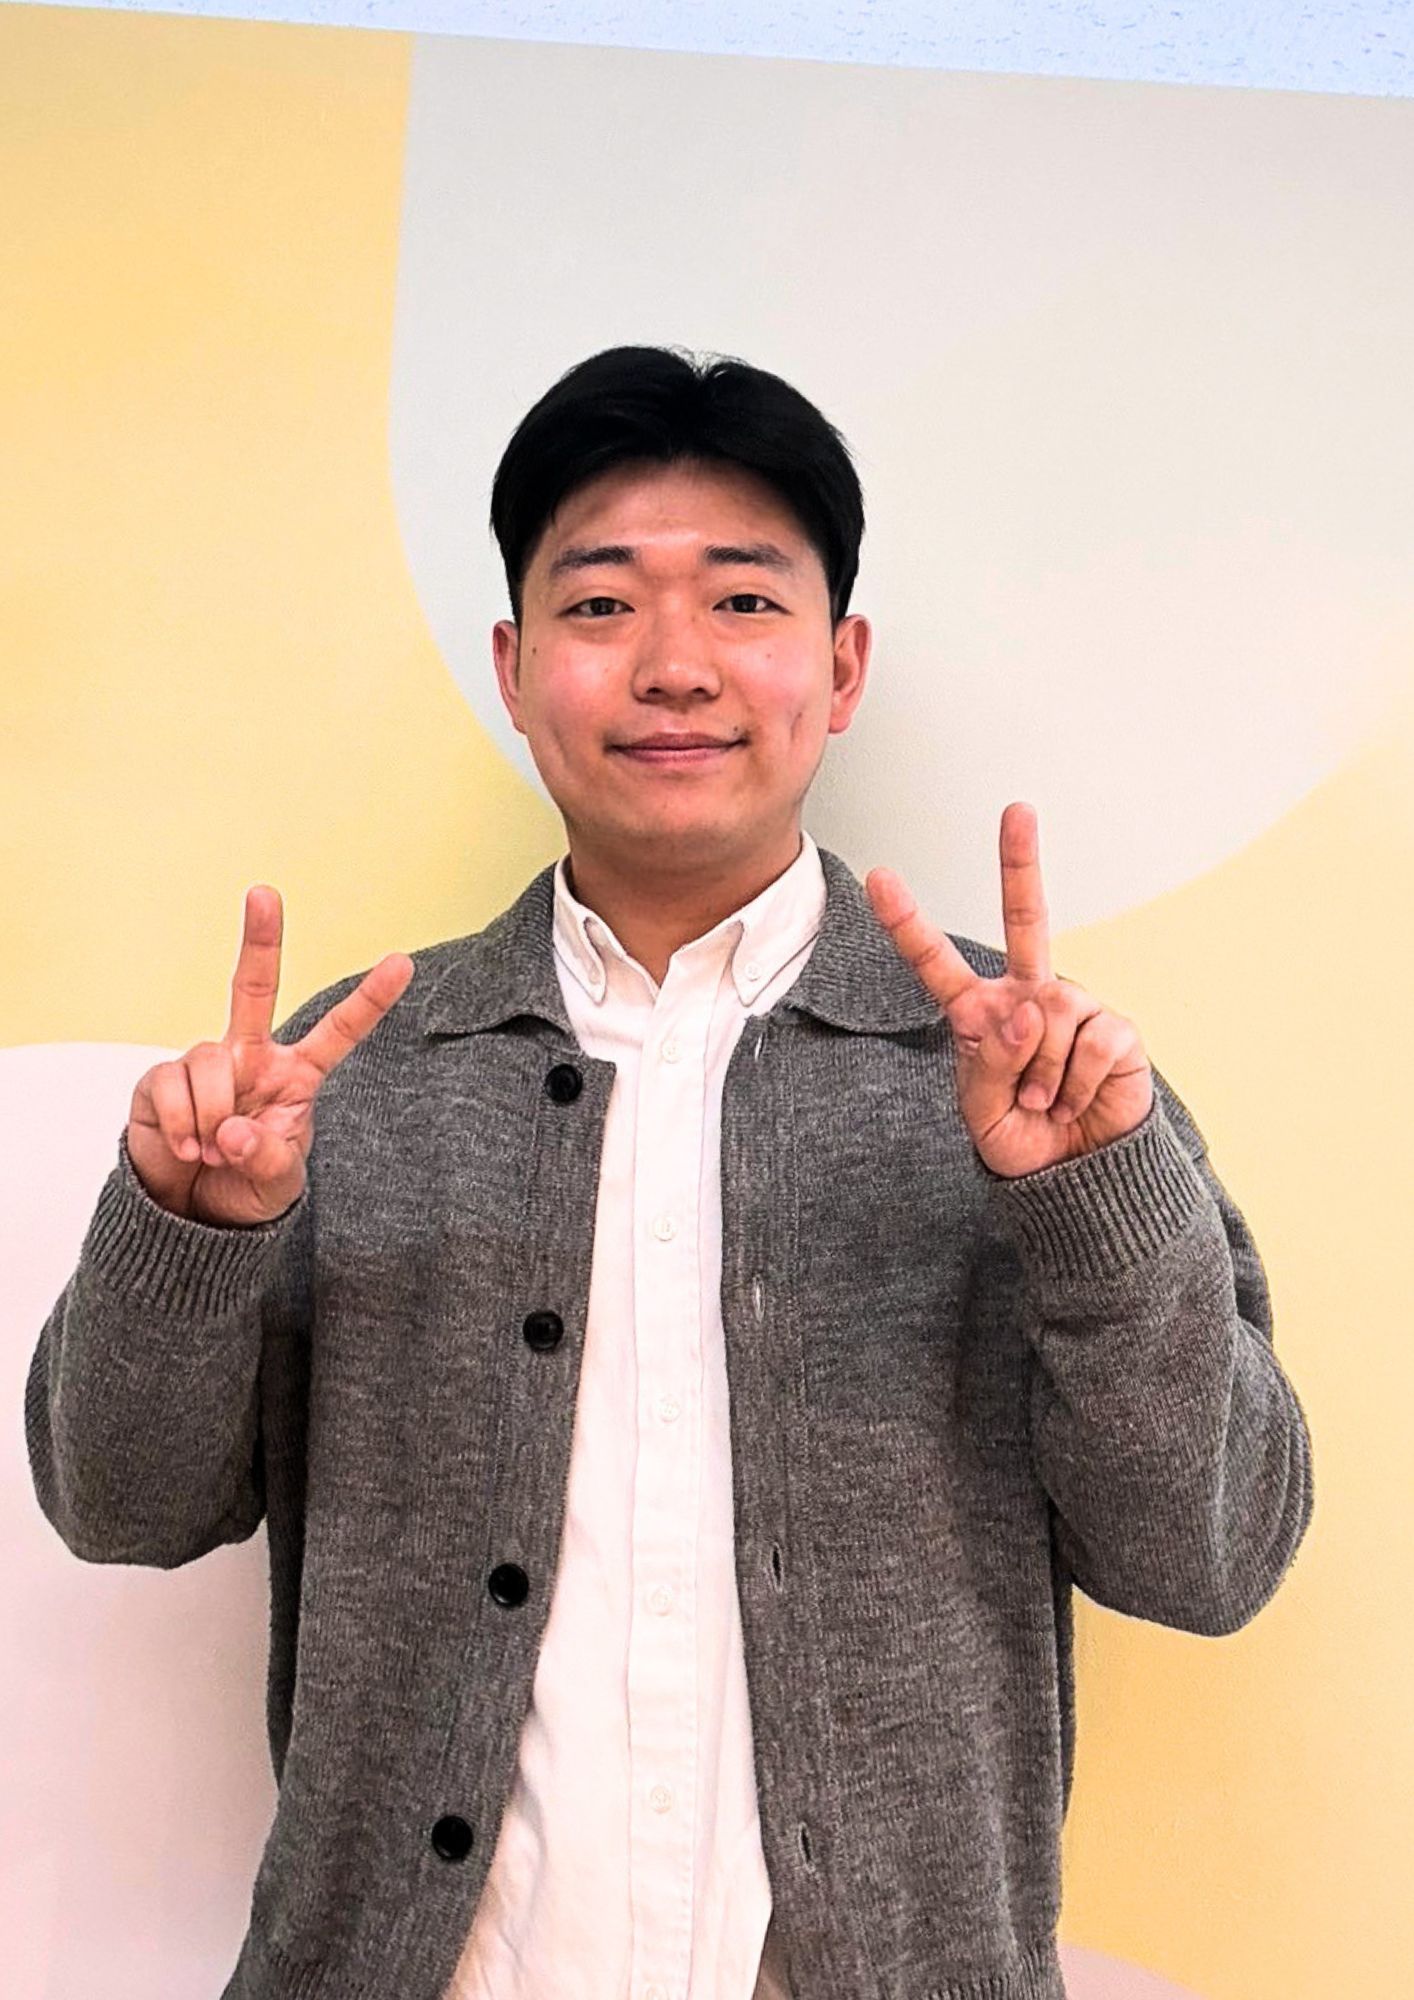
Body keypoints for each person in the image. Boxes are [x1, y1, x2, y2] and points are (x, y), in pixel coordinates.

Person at [24, 344, 1314, 2000]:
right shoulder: (352, 1078)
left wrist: (1093, 1210)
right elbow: (119, 1507)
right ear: (513, 667)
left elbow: (1208, 1556)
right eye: (601, 604)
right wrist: (186, 1238)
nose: (675, 666)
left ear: (841, 666)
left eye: (744, 602)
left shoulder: (1032, 1074)